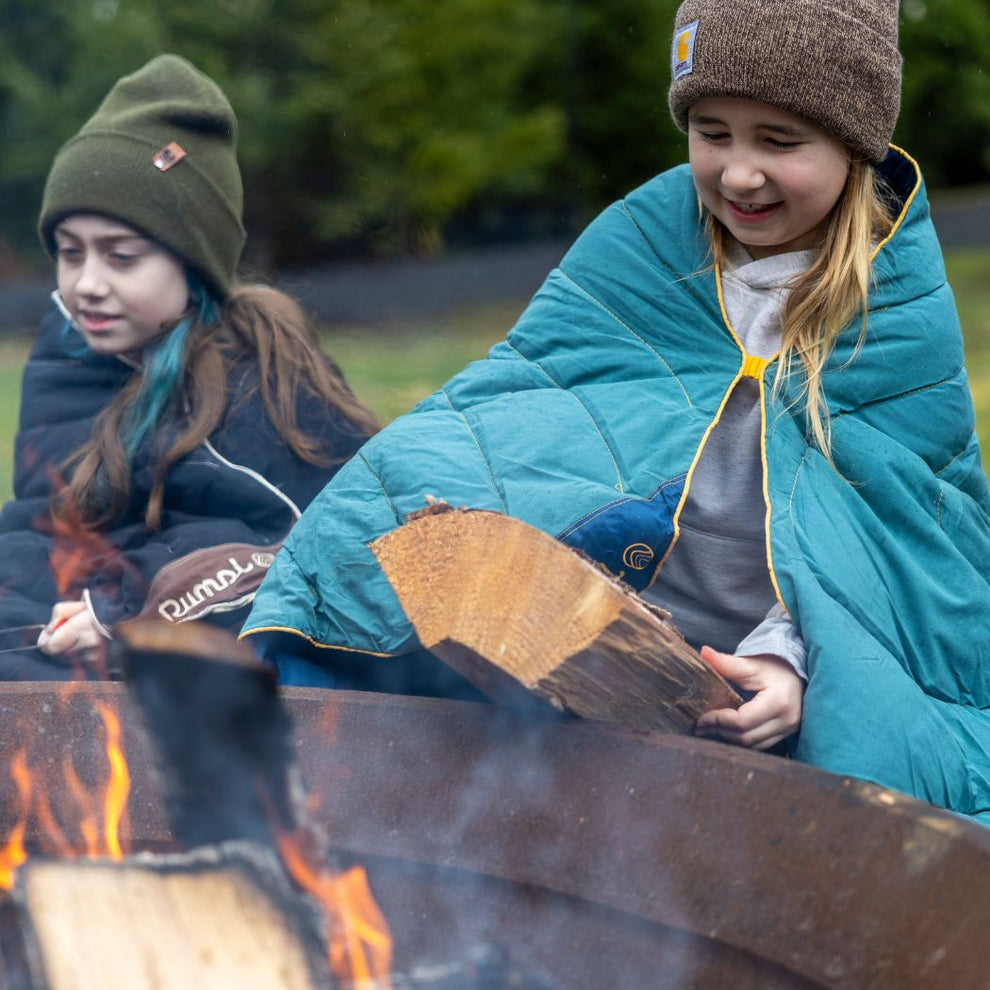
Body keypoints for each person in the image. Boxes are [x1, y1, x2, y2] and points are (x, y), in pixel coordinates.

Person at [242, 0, 990, 824]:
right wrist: (454, 517)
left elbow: (910, 544)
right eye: (713, 132)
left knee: (876, 793)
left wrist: (794, 662)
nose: (739, 173)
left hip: (761, 655)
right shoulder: (644, 241)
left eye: (778, 141)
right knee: (388, 584)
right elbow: (521, 401)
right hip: (609, 603)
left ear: (854, 144)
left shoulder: (896, 308)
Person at [0, 54, 379, 679]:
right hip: (82, 620)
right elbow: (56, 531)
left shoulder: (251, 378)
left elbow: (293, 548)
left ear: (192, 267)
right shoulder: (69, 355)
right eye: (70, 254)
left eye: (121, 257)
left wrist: (122, 618)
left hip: (220, 659)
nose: (87, 284)